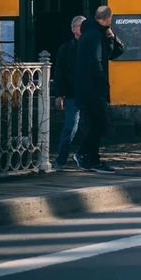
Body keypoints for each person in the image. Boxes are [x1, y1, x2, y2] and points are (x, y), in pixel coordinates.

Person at [74, 6, 124, 173]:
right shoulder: (95, 36)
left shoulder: (94, 33)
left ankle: (93, 160)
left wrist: (111, 37)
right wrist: (102, 81)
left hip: (87, 88)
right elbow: (96, 62)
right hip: (93, 89)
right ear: (108, 18)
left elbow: (115, 53)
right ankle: (82, 153)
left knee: (96, 124)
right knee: (101, 123)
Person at [52, 15, 86, 171]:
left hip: (90, 93)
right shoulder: (65, 49)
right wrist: (59, 94)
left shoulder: (92, 45)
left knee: (93, 126)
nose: (83, 28)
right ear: (73, 29)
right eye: (80, 25)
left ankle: (85, 157)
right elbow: (59, 73)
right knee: (70, 127)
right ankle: (60, 159)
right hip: (72, 94)